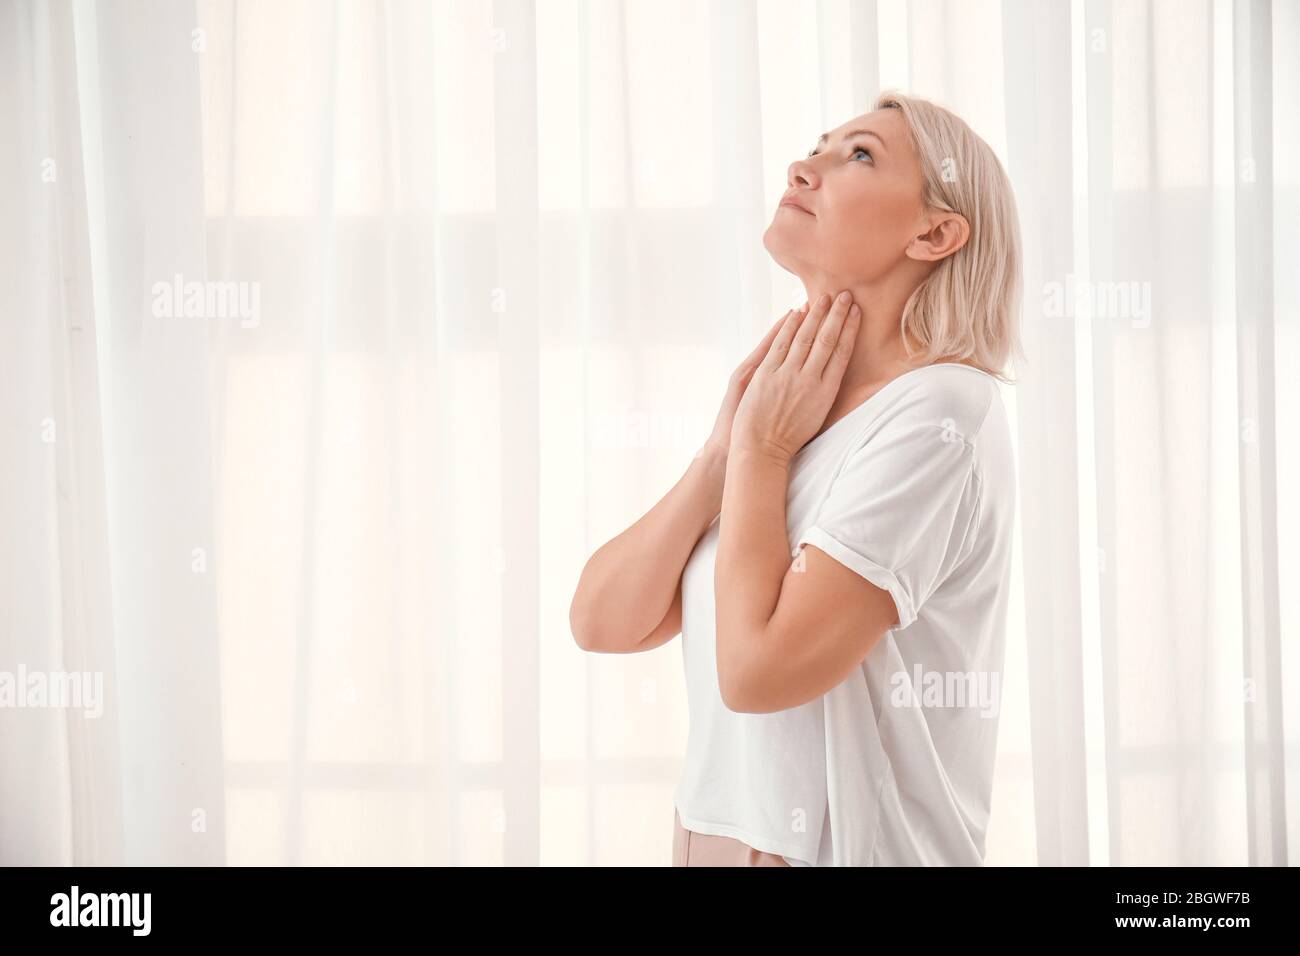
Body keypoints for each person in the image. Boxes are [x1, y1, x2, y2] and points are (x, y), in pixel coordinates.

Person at [570, 90, 1023, 866]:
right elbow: (602, 621)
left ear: (937, 232)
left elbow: (756, 672)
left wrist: (761, 457)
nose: (803, 167)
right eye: (820, 144)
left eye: (859, 155)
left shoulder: (941, 415)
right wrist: (724, 454)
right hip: (712, 839)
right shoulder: (792, 414)